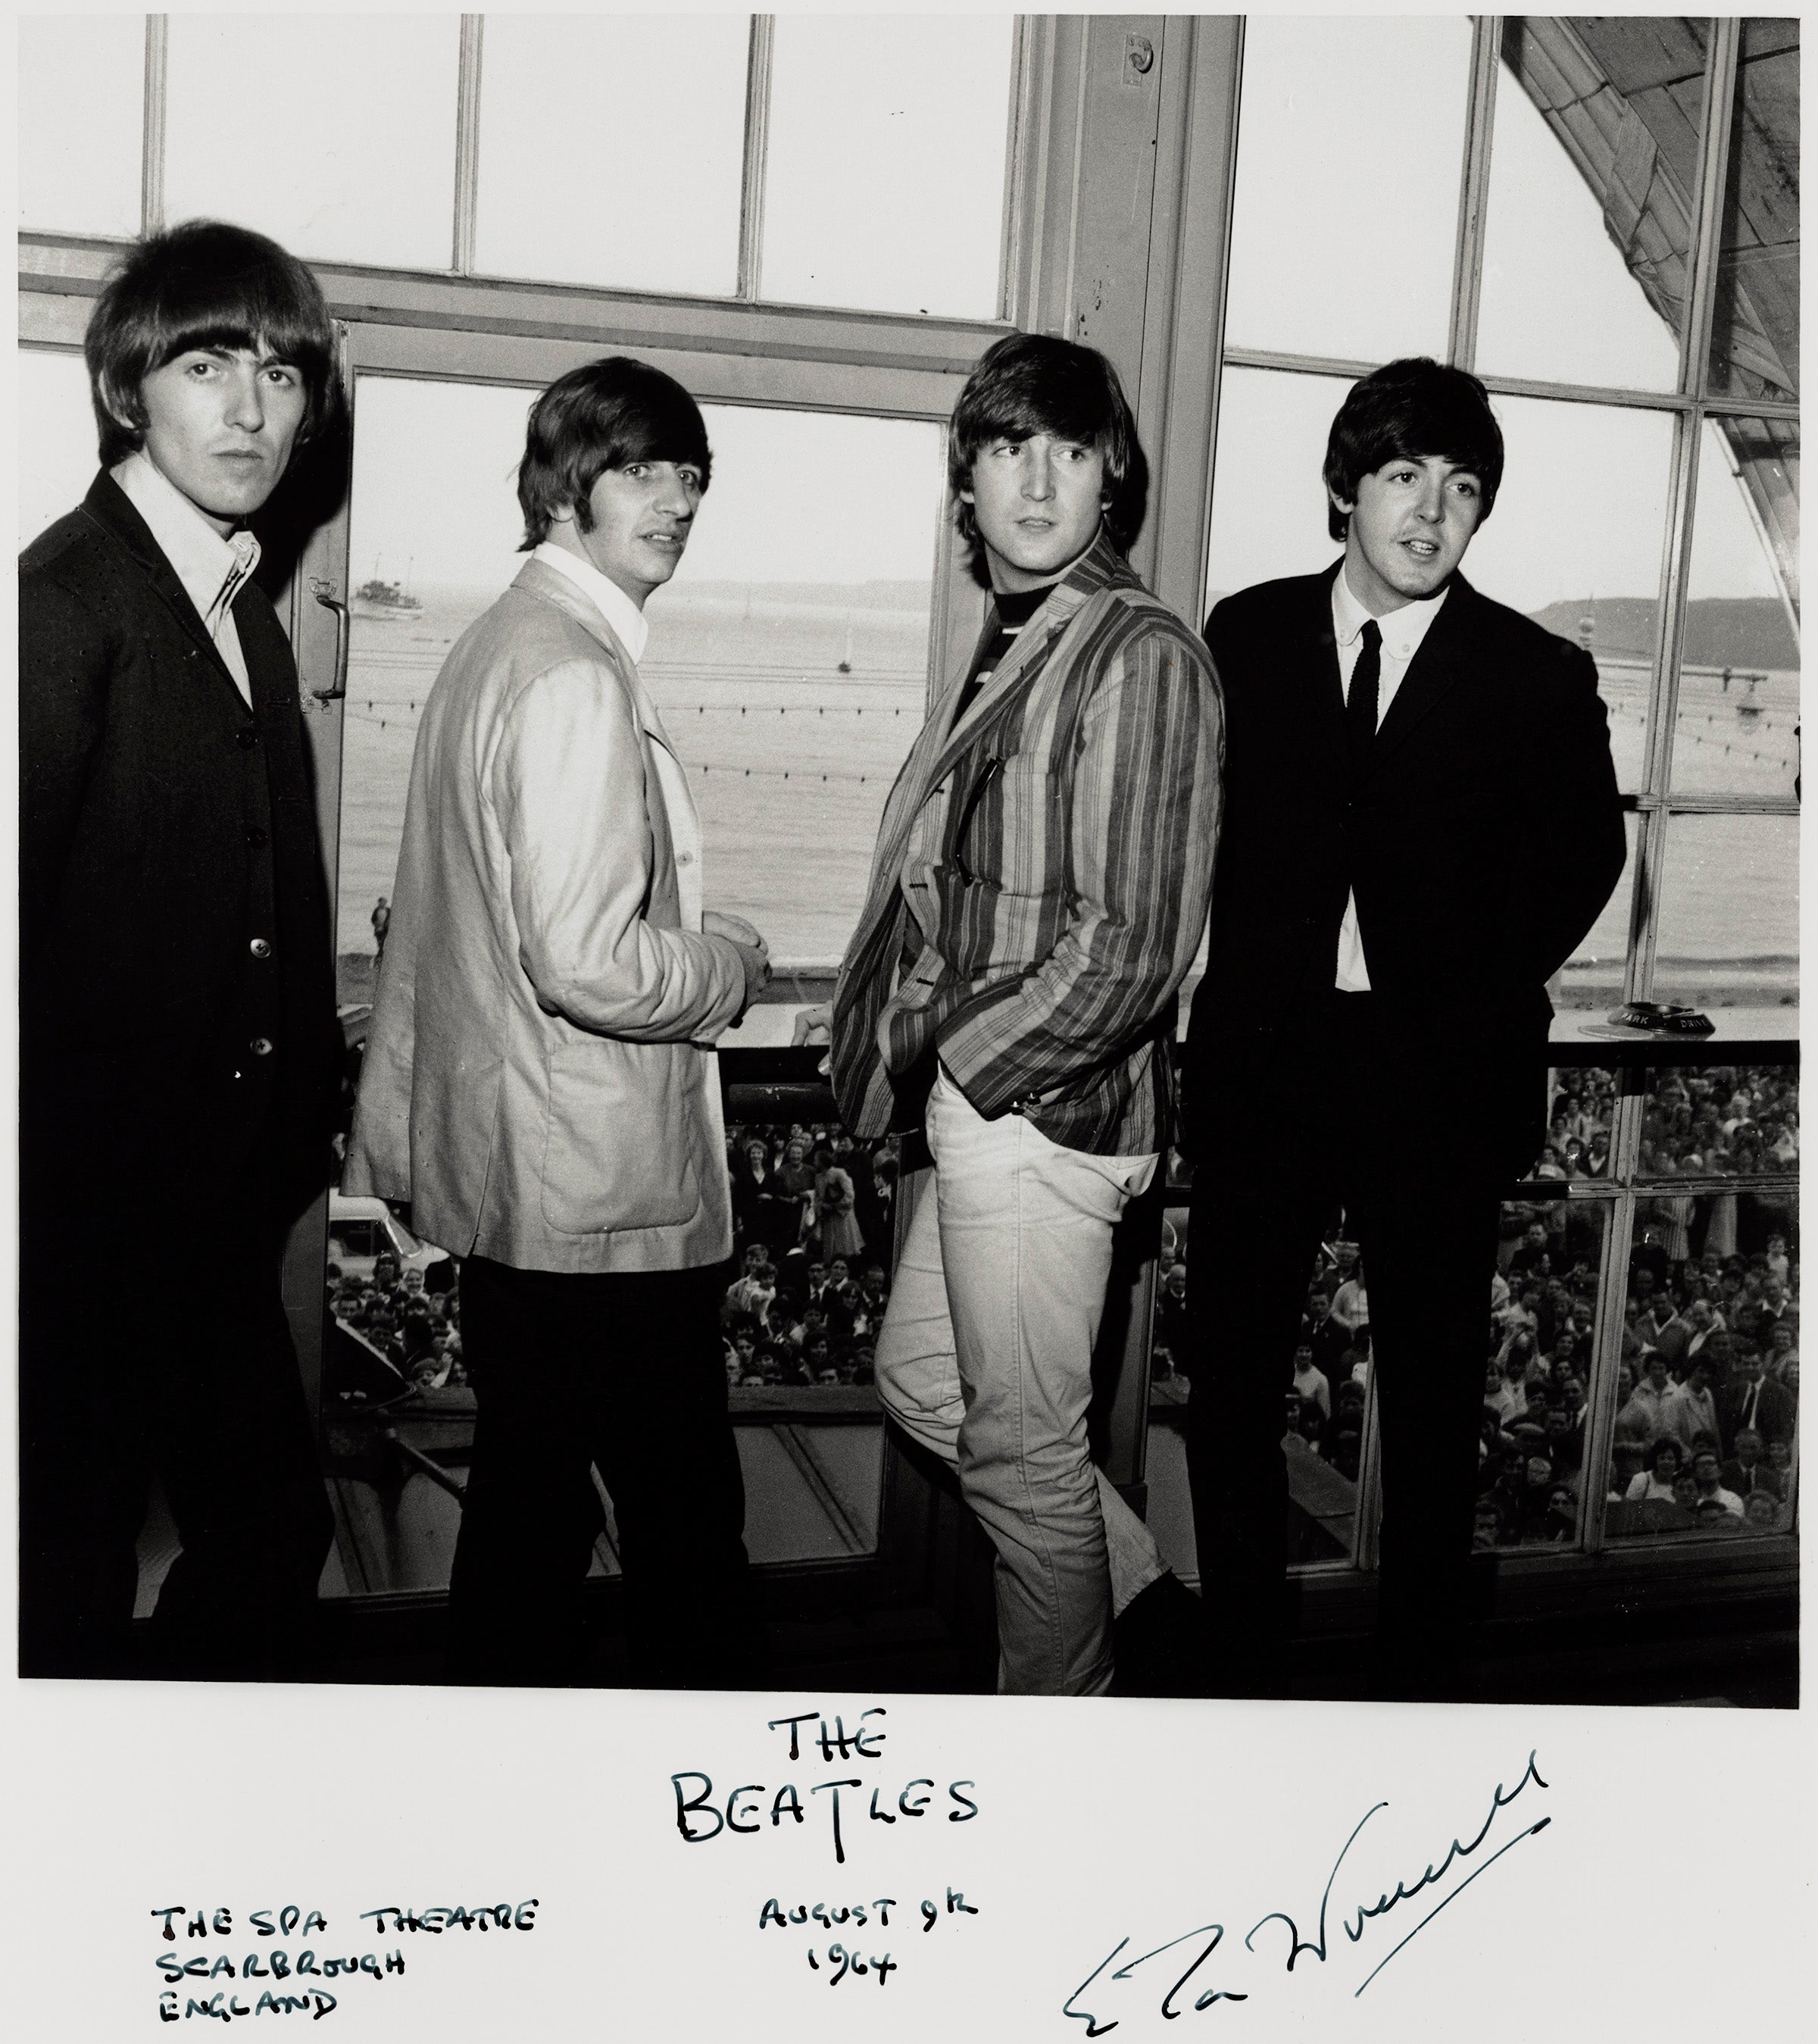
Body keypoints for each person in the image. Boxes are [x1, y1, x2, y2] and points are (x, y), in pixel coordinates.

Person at [1182, 358, 1625, 1694]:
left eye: (1461, 487)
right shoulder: (1247, 634)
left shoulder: (1538, 672)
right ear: (1345, 489)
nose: (1431, 512)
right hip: (1268, 1067)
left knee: (1434, 1412)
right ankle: (1241, 1672)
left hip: (1437, 1080)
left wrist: (1458, 986)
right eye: (1401, 476)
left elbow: (1588, 860)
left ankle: (1422, 1696)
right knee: (1231, 1392)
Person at [344, 356, 770, 1687]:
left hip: (516, 1187)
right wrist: (729, 965)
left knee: (524, 1517)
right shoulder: (575, 673)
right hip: (599, 1205)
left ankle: (496, 1767)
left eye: (690, 473)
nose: (676, 500)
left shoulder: (494, 645)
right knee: (684, 1529)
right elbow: (587, 961)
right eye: (640, 469)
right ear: (564, 485)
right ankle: (699, 1775)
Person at [811, 332, 1223, 1696]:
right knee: (930, 1384)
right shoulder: (1020, 639)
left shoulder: (1138, 652)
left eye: (1070, 450)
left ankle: (1056, 1746)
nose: (1038, 483)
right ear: (967, 482)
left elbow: (1134, 948)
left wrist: (958, 1056)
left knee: (1030, 1455)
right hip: (998, 1113)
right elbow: (956, 889)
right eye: (1007, 449)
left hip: (1045, 1115)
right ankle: (1136, 1600)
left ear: (1115, 475)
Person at [19, 220, 344, 1678]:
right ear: (126, 388)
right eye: (208, 366)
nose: (252, 409)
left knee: (263, 1528)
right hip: (80, 1219)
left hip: (200, 1211)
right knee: (70, 1564)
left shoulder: (238, 600)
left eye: (281, 372)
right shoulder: (62, 600)